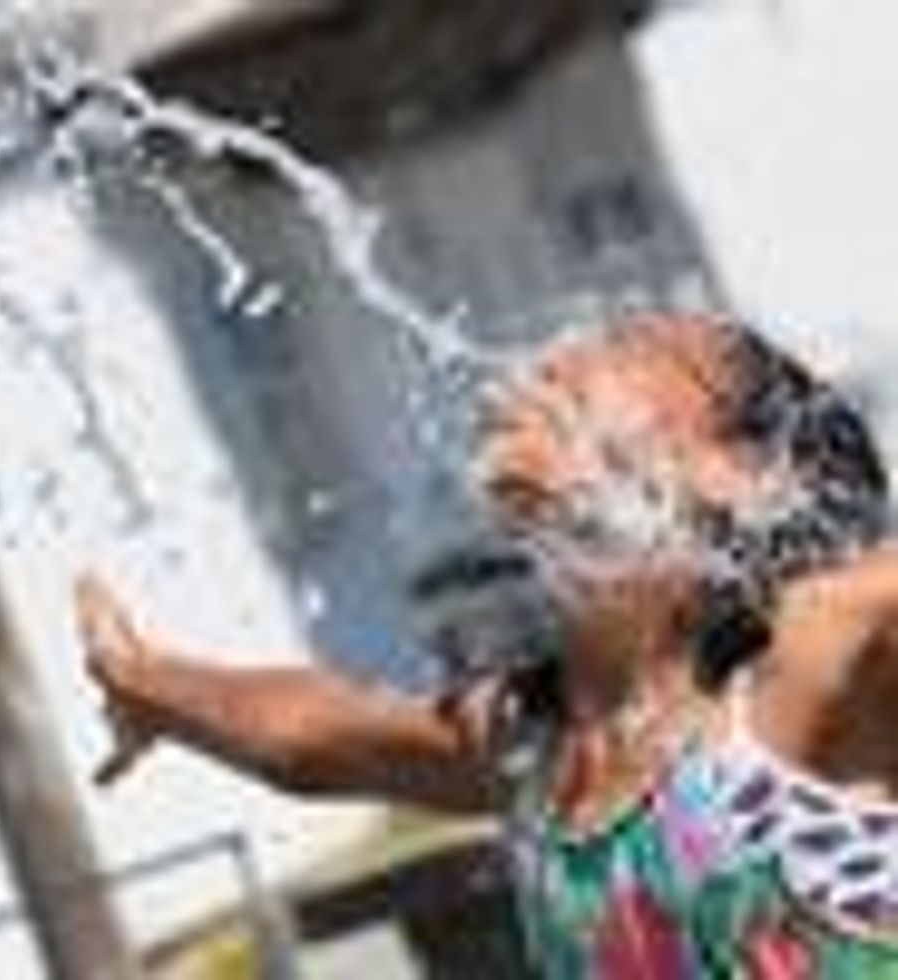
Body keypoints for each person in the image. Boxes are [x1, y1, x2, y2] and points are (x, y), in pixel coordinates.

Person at [77, 313, 898, 975]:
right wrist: (146, 684)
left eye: (628, 343)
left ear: (747, 472)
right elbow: (314, 737)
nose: (563, 353)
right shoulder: (530, 741)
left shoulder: (806, 664)